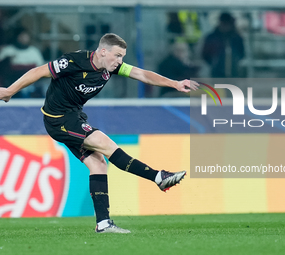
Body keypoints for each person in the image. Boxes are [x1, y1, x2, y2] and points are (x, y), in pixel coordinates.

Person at [0, 33, 198, 233]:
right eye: (118, 55)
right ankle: (158, 177)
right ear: (103, 51)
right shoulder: (74, 61)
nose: (120, 61)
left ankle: (103, 223)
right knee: (105, 143)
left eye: (122, 56)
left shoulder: (112, 67)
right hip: (58, 118)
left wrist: (175, 83)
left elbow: (143, 74)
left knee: (98, 163)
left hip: (74, 117)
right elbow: (39, 71)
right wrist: (9, 91)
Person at [0, 28, 45, 97]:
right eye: (21, 36)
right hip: (12, 82)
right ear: (17, 37)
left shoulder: (34, 51)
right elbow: (3, 69)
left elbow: (41, 68)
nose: (23, 38)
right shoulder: (8, 50)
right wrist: (7, 61)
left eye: (25, 36)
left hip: (32, 82)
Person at [202, 12, 244, 78]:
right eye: (224, 23)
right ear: (220, 23)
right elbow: (205, 54)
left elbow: (241, 53)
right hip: (216, 73)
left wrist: (235, 61)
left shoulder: (236, 38)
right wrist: (214, 62)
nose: (225, 26)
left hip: (234, 73)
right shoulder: (212, 38)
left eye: (227, 24)